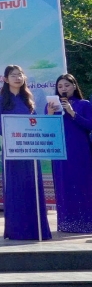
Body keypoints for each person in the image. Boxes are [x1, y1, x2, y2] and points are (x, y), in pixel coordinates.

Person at [0, 65, 51, 240]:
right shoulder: (0, 101)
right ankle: (17, 230)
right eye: (13, 75)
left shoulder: (29, 100)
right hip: (12, 152)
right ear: (5, 79)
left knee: (32, 188)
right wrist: (14, 133)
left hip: (31, 152)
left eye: (20, 75)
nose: (17, 78)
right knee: (15, 189)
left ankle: (36, 229)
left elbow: (36, 124)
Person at [49, 73, 92, 233]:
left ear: (74, 86)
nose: (63, 89)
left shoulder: (84, 104)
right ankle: (66, 223)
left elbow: (90, 125)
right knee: (63, 184)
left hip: (79, 150)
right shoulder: (53, 105)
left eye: (66, 85)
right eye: (60, 86)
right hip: (60, 151)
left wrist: (73, 113)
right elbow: (47, 129)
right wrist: (50, 114)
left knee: (82, 183)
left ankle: (86, 223)